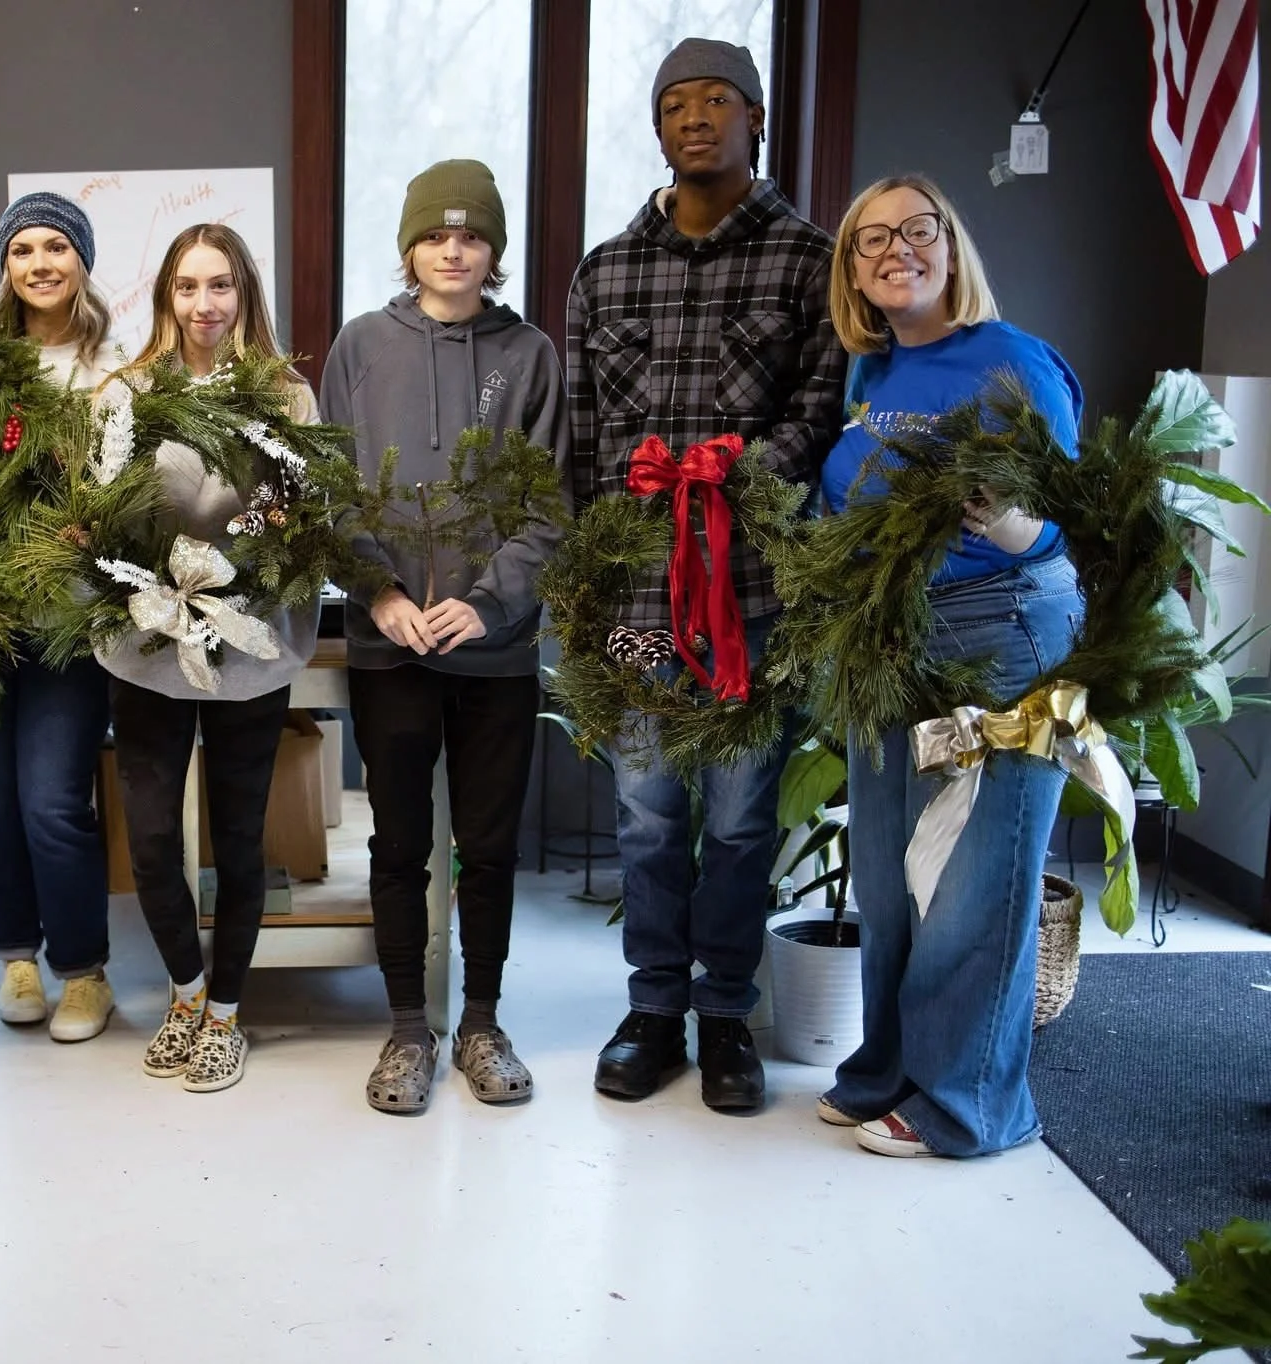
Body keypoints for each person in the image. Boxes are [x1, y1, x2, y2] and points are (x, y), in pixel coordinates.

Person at [569, 37, 846, 1112]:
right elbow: (588, 444)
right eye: (674, 103)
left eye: (717, 100)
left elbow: (818, 409)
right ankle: (651, 1008)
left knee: (736, 815)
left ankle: (724, 1012)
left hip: (749, 598)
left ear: (755, 119)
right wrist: (593, 576)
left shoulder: (804, 259)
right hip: (638, 597)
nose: (695, 118)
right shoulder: (605, 270)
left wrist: (733, 471)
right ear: (656, 127)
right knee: (645, 809)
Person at [816, 174, 1082, 1158]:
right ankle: (887, 1065)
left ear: (948, 243)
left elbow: (1064, 508)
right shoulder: (869, 371)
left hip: (1000, 629)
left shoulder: (1010, 362)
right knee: (886, 874)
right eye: (869, 239)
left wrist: (1009, 522)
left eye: (914, 230)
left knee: (977, 876)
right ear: (852, 268)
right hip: (886, 635)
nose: (894, 251)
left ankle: (968, 1102)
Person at [322, 160, 569, 1114]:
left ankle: (483, 1022)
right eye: (435, 235)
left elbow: (550, 504)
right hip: (391, 648)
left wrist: (490, 601)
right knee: (397, 845)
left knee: (490, 843)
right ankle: (406, 1030)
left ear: (494, 251)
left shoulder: (532, 355)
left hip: (494, 648)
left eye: (471, 236)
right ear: (409, 248)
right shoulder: (360, 348)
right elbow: (333, 493)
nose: (453, 250)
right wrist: (378, 593)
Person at [105, 224, 318, 1093]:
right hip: (147, 639)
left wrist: (263, 545)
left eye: (221, 286)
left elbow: (308, 514)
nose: (204, 305)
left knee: (238, 838)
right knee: (153, 839)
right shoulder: (126, 390)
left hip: (249, 640)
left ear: (245, 295)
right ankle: (185, 994)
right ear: (165, 298)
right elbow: (105, 506)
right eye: (187, 288)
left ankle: (228, 1013)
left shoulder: (286, 395)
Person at [0, 192, 119, 1043]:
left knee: (53, 801)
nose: (41, 263)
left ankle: (84, 973)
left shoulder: (115, 368)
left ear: (82, 262)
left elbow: (131, 491)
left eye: (58, 247)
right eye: (24, 249)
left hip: (71, 621)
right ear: (5, 266)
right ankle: (17, 957)